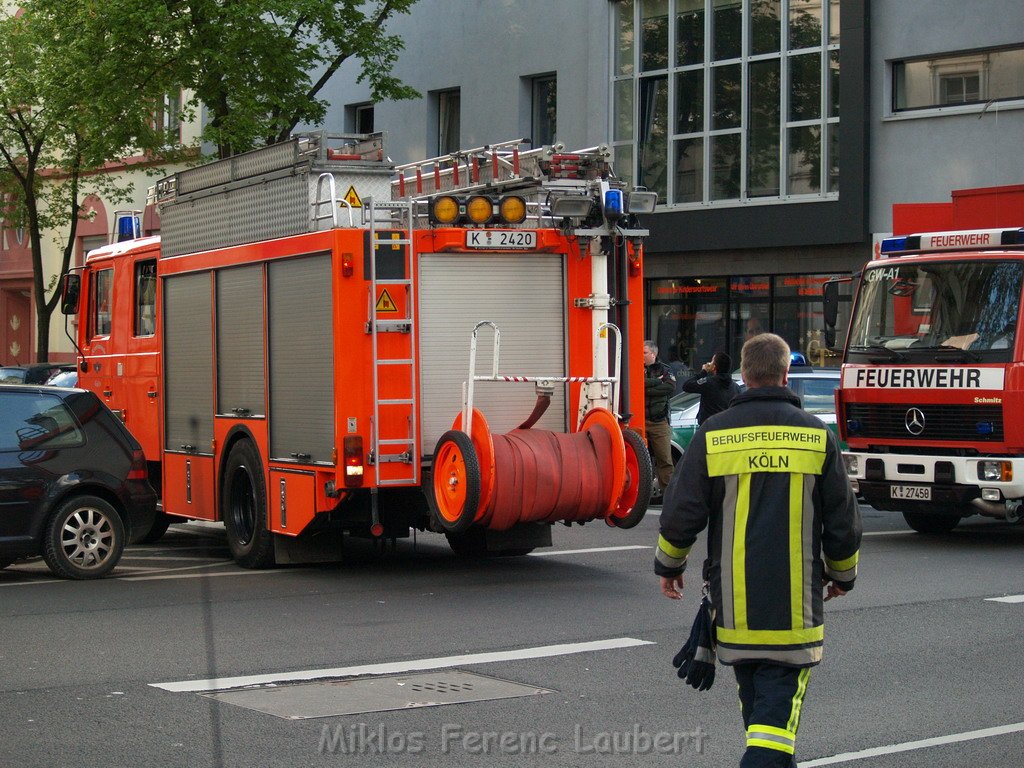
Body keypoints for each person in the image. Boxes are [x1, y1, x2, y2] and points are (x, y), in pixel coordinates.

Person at [656, 333, 861, 767]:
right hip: (793, 616)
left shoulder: (714, 434)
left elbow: (681, 511)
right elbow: (843, 519)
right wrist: (842, 575)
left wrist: (670, 564)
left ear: (744, 376)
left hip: (734, 611)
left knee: (766, 728)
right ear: (786, 374)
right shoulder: (816, 436)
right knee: (771, 737)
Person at [643, 340, 676, 496]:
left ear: (653, 354)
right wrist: (656, 382)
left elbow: (669, 387)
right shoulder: (635, 367)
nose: (641, 356)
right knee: (641, 459)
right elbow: (635, 385)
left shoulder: (666, 370)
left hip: (658, 421)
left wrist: (646, 388)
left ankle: (670, 495)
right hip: (640, 420)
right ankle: (641, 495)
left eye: (644, 353)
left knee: (664, 459)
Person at [681, 351, 741, 424]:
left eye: (712, 361)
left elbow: (686, 386)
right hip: (727, 428)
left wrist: (704, 371)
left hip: (709, 428)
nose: (709, 363)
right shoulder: (736, 387)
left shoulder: (708, 383)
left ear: (714, 367)